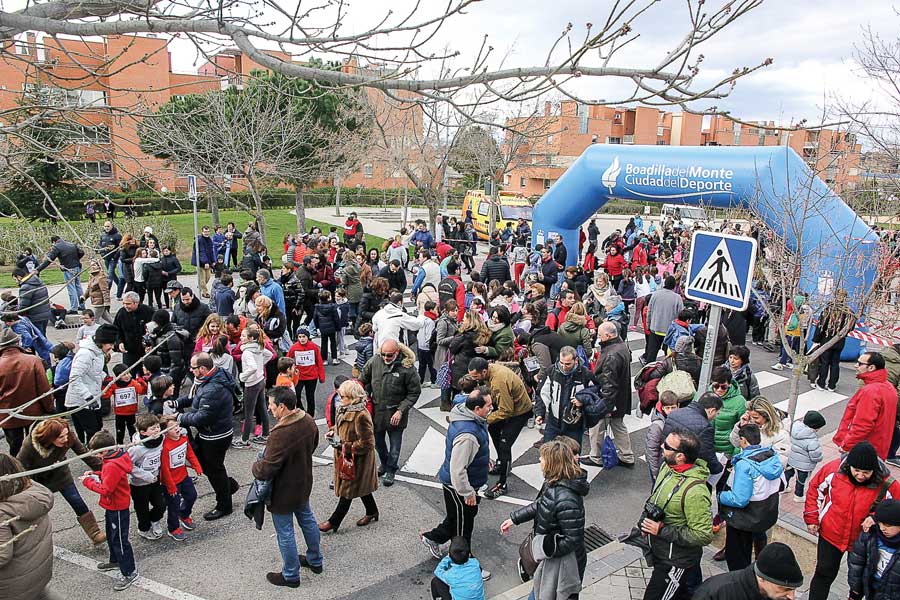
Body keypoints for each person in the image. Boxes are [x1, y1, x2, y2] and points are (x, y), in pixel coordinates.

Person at [804, 441, 900, 600]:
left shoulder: (888, 483)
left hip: (862, 541)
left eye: (866, 472)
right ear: (849, 465)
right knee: (823, 574)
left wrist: (876, 518)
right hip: (831, 534)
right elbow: (815, 489)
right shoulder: (832, 470)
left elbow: (896, 509)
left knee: (859, 581)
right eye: (857, 471)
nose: (861, 476)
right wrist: (812, 517)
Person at [250, 386, 322, 586]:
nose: (270, 408)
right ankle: (315, 560)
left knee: (285, 531)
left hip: (284, 490)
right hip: (304, 481)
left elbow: (267, 469)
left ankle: (290, 575)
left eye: (271, 405)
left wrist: (255, 466)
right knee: (307, 520)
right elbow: (313, 445)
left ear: (282, 406)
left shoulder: (281, 433)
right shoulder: (307, 420)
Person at [501, 438, 589, 595]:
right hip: (551, 559)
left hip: (563, 564)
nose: (540, 460)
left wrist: (543, 548)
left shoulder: (567, 498)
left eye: (543, 458)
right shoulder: (555, 483)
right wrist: (514, 518)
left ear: (552, 463)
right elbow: (541, 503)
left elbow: (572, 539)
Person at [421, 388, 493, 569]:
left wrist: (485, 461)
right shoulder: (467, 435)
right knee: (463, 526)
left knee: (457, 516)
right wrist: (467, 492)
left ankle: (433, 537)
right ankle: (463, 564)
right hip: (459, 486)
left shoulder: (466, 415)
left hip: (461, 482)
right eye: (489, 405)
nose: (492, 408)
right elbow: (458, 469)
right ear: (477, 408)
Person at [641, 430, 713, 600]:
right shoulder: (667, 467)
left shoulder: (695, 492)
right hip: (661, 551)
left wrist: (661, 529)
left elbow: (703, 535)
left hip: (675, 561)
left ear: (680, 456)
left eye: (666, 446)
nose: (661, 446)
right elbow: (655, 499)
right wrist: (644, 523)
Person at [171, 352, 240, 520]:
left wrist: (179, 418)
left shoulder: (213, 389)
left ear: (203, 368)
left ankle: (224, 505)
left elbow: (202, 417)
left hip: (215, 435)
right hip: (211, 432)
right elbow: (195, 398)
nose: (191, 370)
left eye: (193, 368)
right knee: (206, 464)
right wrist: (177, 403)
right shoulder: (209, 379)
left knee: (215, 469)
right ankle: (227, 485)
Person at [16, 418, 105, 545]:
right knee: (36, 510)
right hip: (38, 479)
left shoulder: (68, 436)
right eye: (60, 437)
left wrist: (105, 470)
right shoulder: (29, 445)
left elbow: (85, 455)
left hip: (60, 474)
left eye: (66, 435)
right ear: (49, 438)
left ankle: (95, 533)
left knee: (76, 500)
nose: (65, 439)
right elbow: (20, 469)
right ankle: (30, 539)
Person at [718, 423, 784, 572]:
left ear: (743, 440)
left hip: (744, 519)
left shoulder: (744, 465)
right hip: (765, 513)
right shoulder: (771, 456)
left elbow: (739, 499)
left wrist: (721, 496)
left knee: (738, 556)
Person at [80, 430, 139, 592]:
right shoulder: (114, 459)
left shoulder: (112, 464)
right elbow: (108, 475)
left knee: (119, 539)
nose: (97, 456)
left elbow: (106, 489)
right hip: (114, 506)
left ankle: (129, 571)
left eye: (99, 453)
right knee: (112, 535)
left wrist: (87, 482)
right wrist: (95, 473)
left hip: (117, 506)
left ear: (106, 450)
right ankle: (115, 560)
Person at [319, 379, 379, 533]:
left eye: (344, 396)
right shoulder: (343, 408)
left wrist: (345, 446)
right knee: (362, 488)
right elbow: (340, 427)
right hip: (345, 456)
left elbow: (368, 443)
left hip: (357, 460)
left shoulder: (361, 415)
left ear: (353, 397)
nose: (340, 399)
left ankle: (334, 521)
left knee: (347, 491)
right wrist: (333, 433)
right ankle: (372, 511)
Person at [467, 357, 533, 498]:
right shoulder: (489, 371)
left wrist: (485, 419)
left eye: (475, 376)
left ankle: (502, 484)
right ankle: (503, 462)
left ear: (484, 371)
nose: (474, 379)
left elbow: (506, 410)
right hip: (510, 405)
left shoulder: (499, 381)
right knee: (494, 429)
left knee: (504, 442)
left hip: (520, 412)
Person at [360, 339, 421, 487]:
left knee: (395, 445)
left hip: (396, 413)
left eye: (389, 355)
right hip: (377, 412)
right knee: (378, 443)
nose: (386, 358)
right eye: (384, 355)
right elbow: (363, 379)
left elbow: (414, 393)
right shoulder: (375, 361)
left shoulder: (407, 368)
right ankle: (385, 463)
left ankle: (391, 470)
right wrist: (366, 394)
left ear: (397, 353)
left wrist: (401, 410)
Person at [0, 453, 55, 600]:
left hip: (12, 587)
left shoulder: (2, 512)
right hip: (36, 575)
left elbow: (2, 555)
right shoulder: (33, 491)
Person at [585, 322, 634, 468]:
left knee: (596, 425)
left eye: (600, 335)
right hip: (620, 396)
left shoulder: (611, 354)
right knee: (618, 425)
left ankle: (596, 456)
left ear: (608, 335)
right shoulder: (621, 346)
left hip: (609, 397)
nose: (598, 337)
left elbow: (609, 382)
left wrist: (605, 404)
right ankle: (627, 455)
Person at [833, 351, 898, 458]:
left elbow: (862, 424)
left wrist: (846, 445)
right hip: (878, 446)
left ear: (871, 367)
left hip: (861, 449)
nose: (856, 366)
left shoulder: (871, 391)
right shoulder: (889, 387)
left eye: (860, 363)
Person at [0, 328, 53, 456]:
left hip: (9, 415)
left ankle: (18, 472)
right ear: (17, 342)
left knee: (15, 447)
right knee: (37, 445)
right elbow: (43, 388)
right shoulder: (33, 360)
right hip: (34, 412)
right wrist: (50, 408)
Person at [693, 542, 804, 600]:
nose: (792, 596)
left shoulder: (778, 596)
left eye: (793, 589)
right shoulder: (713, 594)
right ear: (762, 578)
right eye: (785, 589)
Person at [534, 346, 597, 446]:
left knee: (572, 457)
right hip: (553, 422)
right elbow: (541, 394)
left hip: (574, 424)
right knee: (548, 456)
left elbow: (596, 392)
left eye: (568, 364)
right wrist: (539, 414)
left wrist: (582, 399)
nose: (563, 367)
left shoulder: (585, 374)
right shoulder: (551, 371)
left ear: (576, 360)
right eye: (561, 363)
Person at [662, 393, 725, 481]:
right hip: (685, 472)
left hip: (667, 465)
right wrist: (719, 468)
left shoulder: (675, 413)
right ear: (712, 411)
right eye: (717, 413)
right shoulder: (705, 427)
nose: (715, 417)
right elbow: (707, 455)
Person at [847, 498, 900, 600]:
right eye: (880, 523)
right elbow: (857, 562)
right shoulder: (870, 535)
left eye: (888, 525)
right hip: (871, 587)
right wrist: (855, 588)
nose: (882, 528)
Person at [234, 326, 273, 448]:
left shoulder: (247, 352)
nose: (241, 337)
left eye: (243, 336)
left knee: (249, 412)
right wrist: (261, 365)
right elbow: (269, 354)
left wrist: (242, 376)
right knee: (262, 408)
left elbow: (252, 367)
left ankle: (245, 440)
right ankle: (265, 435)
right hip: (260, 380)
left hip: (251, 383)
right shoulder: (259, 347)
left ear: (250, 338)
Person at [812, 289, 853, 391]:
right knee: (835, 363)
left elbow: (821, 326)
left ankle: (821, 383)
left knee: (824, 362)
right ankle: (832, 385)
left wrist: (816, 339)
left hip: (826, 340)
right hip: (839, 341)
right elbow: (850, 327)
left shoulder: (829, 310)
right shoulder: (849, 312)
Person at [34, 235, 85, 312]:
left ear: (54, 242)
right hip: (77, 267)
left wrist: (38, 269)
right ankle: (82, 306)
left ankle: (74, 308)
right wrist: (75, 259)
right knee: (78, 287)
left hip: (68, 269)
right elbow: (82, 252)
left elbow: (49, 260)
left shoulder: (57, 247)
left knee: (71, 288)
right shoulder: (71, 244)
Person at [784, 410, 825, 503]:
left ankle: (783, 488)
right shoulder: (812, 440)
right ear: (815, 427)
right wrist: (820, 458)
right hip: (804, 465)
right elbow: (816, 455)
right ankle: (798, 496)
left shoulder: (794, 427)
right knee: (801, 481)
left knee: (787, 474)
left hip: (791, 459)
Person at [103, 363, 147, 444]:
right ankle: (120, 446)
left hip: (131, 412)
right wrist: (105, 385)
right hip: (119, 413)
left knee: (132, 430)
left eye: (128, 373)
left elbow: (141, 391)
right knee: (120, 431)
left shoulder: (133, 382)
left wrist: (142, 382)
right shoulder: (114, 385)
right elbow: (106, 395)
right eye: (123, 375)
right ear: (118, 376)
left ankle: (134, 444)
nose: (127, 376)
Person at [709, 366, 747, 457]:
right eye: (716, 386)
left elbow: (744, 431)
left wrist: (736, 453)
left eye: (723, 387)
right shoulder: (705, 395)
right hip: (707, 450)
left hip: (728, 452)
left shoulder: (740, 402)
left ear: (729, 384)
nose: (719, 390)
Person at [645, 276, 684, 363]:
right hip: (669, 332)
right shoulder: (677, 298)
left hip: (655, 329)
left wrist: (648, 325)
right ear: (674, 286)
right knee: (669, 357)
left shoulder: (655, 294)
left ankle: (647, 373)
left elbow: (649, 311)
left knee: (651, 355)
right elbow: (681, 315)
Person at [288, 327, 325, 416]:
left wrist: (321, 376)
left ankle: (310, 416)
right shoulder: (294, 347)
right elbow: (288, 359)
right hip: (299, 376)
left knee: (310, 397)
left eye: (304, 336)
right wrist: (288, 373)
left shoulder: (313, 347)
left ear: (307, 337)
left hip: (312, 376)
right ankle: (302, 412)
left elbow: (319, 361)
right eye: (300, 337)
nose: (302, 339)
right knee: (296, 395)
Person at [646, 391, 681, 482]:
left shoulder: (678, 419)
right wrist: (655, 473)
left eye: (673, 407)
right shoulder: (657, 426)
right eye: (667, 408)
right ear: (662, 408)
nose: (670, 411)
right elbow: (652, 450)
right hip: (661, 466)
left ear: (678, 406)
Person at [113, 291, 155, 366]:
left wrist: (150, 343)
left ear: (136, 303)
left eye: (128, 304)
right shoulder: (121, 313)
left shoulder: (148, 311)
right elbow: (116, 329)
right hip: (129, 350)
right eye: (124, 303)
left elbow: (155, 328)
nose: (125, 306)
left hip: (145, 350)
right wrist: (119, 342)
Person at [13, 268, 52, 335]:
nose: (15, 281)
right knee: (42, 336)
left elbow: (24, 306)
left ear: (19, 277)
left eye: (15, 279)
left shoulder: (25, 287)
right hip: (45, 314)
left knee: (38, 338)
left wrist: (15, 314)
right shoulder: (38, 282)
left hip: (35, 316)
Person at [82, 260, 113, 325]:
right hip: (94, 300)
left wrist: (106, 302)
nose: (92, 267)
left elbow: (105, 290)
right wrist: (84, 297)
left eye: (94, 265)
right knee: (107, 317)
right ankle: (116, 327)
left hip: (100, 302)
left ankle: (100, 331)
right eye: (91, 265)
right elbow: (89, 288)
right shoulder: (92, 276)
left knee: (94, 319)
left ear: (98, 266)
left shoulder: (101, 277)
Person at [191, 225, 215, 297]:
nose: (206, 233)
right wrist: (205, 262)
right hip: (200, 263)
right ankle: (205, 292)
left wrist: (213, 261)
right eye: (205, 232)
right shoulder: (200, 240)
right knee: (202, 278)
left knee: (208, 277)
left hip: (207, 262)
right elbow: (202, 251)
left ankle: (201, 285)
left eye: (207, 232)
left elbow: (211, 251)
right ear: (202, 232)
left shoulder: (210, 240)